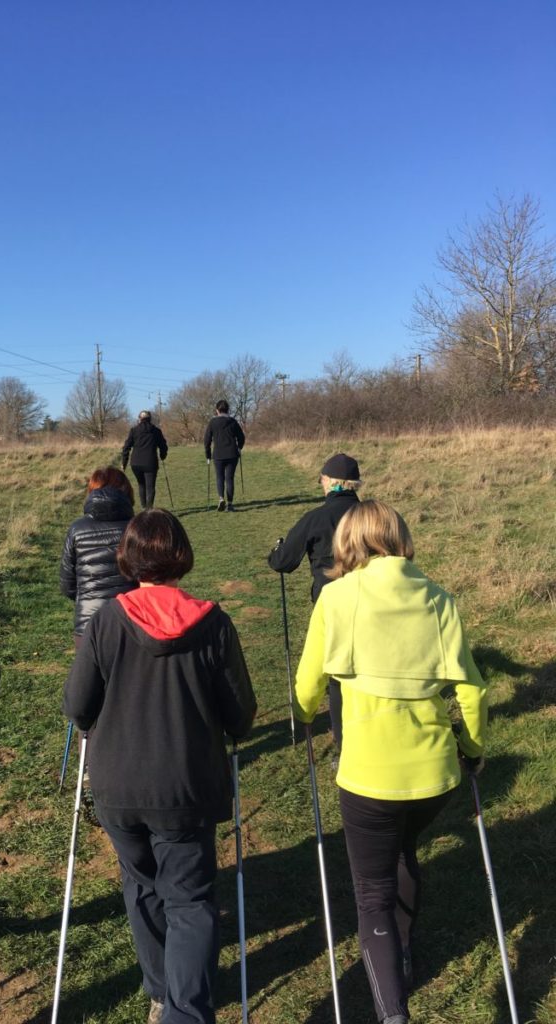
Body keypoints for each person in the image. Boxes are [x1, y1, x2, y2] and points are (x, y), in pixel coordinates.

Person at [293, 500, 487, 1024]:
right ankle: (401, 951)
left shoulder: (334, 598)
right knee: (403, 849)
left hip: (368, 777)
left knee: (371, 892)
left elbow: (308, 684)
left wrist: (303, 715)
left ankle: (392, 1011)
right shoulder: (441, 602)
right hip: (434, 775)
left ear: (347, 544)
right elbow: (471, 691)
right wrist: (472, 750)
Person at [63, 509, 257, 1024]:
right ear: (181, 556)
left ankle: (161, 993)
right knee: (190, 901)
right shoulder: (213, 624)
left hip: (119, 786)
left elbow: (78, 704)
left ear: (127, 559)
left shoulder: (106, 620)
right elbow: (241, 716)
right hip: (186, 786)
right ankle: (182, 1010)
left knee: (143, 884)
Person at [268, 452, 362, 748]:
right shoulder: (372, 515)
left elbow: (283, 562)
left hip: (331, 603)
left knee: (338, 677)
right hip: (375, 597)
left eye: (322, 479)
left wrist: (276, 551)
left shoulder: (316, 518)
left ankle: (346, 746)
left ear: (330, 482)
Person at [59, 466, 138, 644]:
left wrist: (88, 595)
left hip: (88, 627)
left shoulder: (77, 529)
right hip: (133, 624)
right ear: (127, 492)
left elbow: (67, 585)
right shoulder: (138, 527)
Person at [122, 411, 169, 510]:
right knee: (150, 487)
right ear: (150, 419)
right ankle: (149, 509)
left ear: (139, 419)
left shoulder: (134, 430)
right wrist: (162, 455)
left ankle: (144, 508)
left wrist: (124, 462)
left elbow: (126, 447)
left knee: (141, 484)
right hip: (150, 462)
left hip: (136, 463)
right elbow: (163, 446)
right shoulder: (156, 431)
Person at [203, 400, 245, 512]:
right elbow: (241, 437)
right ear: (228, 410)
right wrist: (239, 447)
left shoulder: (212, 422)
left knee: (219, 477)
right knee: (229, 478)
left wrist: (208, 455)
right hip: (232, 454)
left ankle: (221, 498)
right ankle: (230, 504)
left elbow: (207, 440)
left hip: (218, 454)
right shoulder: (233, 422)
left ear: (217, 410)